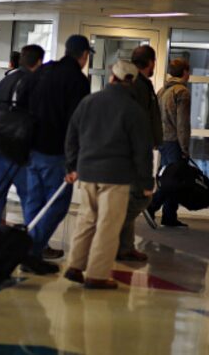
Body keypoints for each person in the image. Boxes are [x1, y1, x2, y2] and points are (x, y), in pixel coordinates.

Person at [63, 59, 153, 289]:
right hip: (116, 176)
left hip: (88, 172)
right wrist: (145, 182)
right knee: (108, 225)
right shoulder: (134, 111)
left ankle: (75, 265)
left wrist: (72, 166)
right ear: (131, 82)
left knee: (86, 219)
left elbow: (72, 135)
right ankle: (97, 275)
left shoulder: (89, 102)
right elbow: (142, 151)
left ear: (112, 77)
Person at [21, 35, 92, 274]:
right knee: (58, 204)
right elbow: (77, 124)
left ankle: (30, 247)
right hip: (57, 153)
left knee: (34, 201)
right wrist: (75, 161)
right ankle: (30, 250)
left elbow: (24, 101)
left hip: (33, 149)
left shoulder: (44, 71)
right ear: (84, 55)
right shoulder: (78, 81)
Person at [0, 44, 45, 225]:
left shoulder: (6, 81)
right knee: (30, 196)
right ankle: (35, 240)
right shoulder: (33, 83)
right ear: (39, 61)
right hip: (18, 150)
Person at [117, 45, 163, 261]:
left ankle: (125, 246)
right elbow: (139, 120)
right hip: (135, 152)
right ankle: (113, 233)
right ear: (150, 62)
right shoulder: (138, 85)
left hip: (138, 149)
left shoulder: (143, 84)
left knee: (131, 198)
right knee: (140, 198)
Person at [148, 58, 192, 227]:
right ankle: (152, 205)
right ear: (185, 72)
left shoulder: (162, 91)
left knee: (169, 177)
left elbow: (155, 117)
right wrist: (185, 148)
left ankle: (169, 216)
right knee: (173, 180)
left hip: (162, 140)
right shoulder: (182, 92)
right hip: (174, 142)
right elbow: (182, 124)